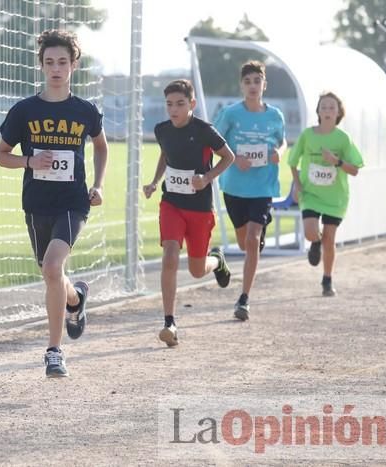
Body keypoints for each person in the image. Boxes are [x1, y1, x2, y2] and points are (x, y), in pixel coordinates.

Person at [0, 30, 108, 377]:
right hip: (36, 203)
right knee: (52, 274)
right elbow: (1, 156)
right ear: (41, 66)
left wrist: (98, 185)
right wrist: (30, 162)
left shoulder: (85, 111)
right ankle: (76, 298)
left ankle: (54, 351)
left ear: (74, 65)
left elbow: (102, 147)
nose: (56, 69)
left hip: (74, 203)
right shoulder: (25, 110)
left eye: (62, 62)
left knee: (52, 267)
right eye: (49, 62)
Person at [143, 79, 234, 347]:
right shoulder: (162, 130)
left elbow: (228, 157)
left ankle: (216, 259)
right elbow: (165, 155)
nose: (174, 109)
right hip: (171, 204)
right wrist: (155, 181)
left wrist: (207, 178)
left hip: (199, 208)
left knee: (196, 270)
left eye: (180, 104)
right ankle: (169, 321)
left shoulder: (205, 130)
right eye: (169, 104)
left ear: (191, 104)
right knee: (170, 254)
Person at [214, 60, 287, 321]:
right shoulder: (231, 114)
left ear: (264, 85)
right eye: (248, 82)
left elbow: (283, 141)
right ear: (241, 86)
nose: (253, 86)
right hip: (234, 187)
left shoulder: (275, 115)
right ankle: (236, 253)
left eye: (257, 81)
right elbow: (216, 142)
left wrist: (279, 152)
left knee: (253, 240)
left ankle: (243, 298)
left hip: (263, 186)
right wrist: (234, 157)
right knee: (246, 242)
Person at [288, 91, 363, 296]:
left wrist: (336, 161)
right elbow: (293, 162)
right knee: (311, 232)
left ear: (338, 112)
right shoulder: (307, 135)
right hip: (311, 193)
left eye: (332, 107)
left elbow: (355, 169)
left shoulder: (343, 139)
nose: (328, 110)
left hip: (335, 197)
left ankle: (327, 280)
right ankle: (315, 241)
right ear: (318, 111)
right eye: (324, 107)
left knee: (330, 239)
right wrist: (296, 185)